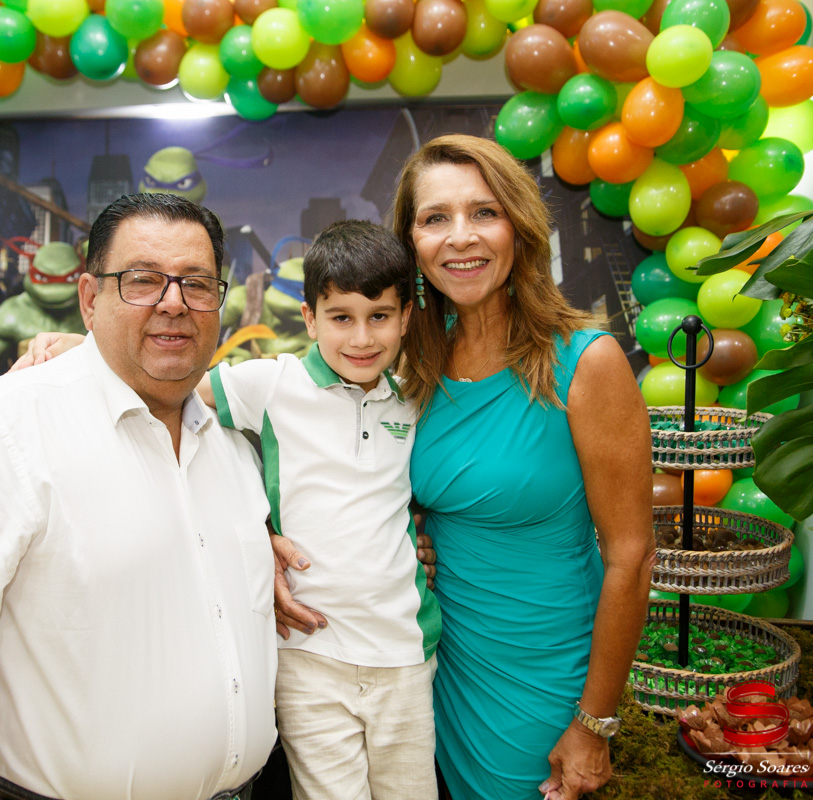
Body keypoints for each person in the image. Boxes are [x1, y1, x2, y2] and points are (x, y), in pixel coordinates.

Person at [0, 193, 278, 800]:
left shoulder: (233, 443)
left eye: (197, 283)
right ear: (89, 299)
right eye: (142, 280)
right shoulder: (3, 430)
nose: (173, 303)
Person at [279, 134, 654, 800]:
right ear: (411, 246)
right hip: (428, 667)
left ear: (519, 227)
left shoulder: (585, 362)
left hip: (542, 675)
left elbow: (632, 556)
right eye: (435, 218)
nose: (460, 236)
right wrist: (266, 539)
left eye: (484, 212)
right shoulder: (412, 360)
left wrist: (594, 722)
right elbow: (327, 465)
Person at [17, 220, 443, 800]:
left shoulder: (412, 399)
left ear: (406, 317)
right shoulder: (269, 383)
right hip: (308, 654)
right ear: (310, 318)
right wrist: (82, 349)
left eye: (380, 316)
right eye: (341, 317)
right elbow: (168, 384)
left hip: (404, 651)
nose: (362, 337)